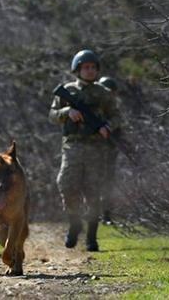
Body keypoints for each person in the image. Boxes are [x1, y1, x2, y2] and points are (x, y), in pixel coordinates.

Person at [48, 49, 120, 252]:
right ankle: (74, 222)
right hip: (73, 145)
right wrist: (66, 112)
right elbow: (52, 115)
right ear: (77, 70)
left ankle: (91, 237)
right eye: (85, 67)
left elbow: (116, 116)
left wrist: (108, 127)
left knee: (93, 192)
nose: (89, 71)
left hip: (96, 148)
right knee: (66, 184)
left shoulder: (103, 94)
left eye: (92, 67)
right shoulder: (68, 90)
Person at [97, 76, 120, 225]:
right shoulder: (95, 109)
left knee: (108, 183)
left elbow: (118, 128)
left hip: (109, 151)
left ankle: (106, 215)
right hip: (92, 151)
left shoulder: (113, 111)